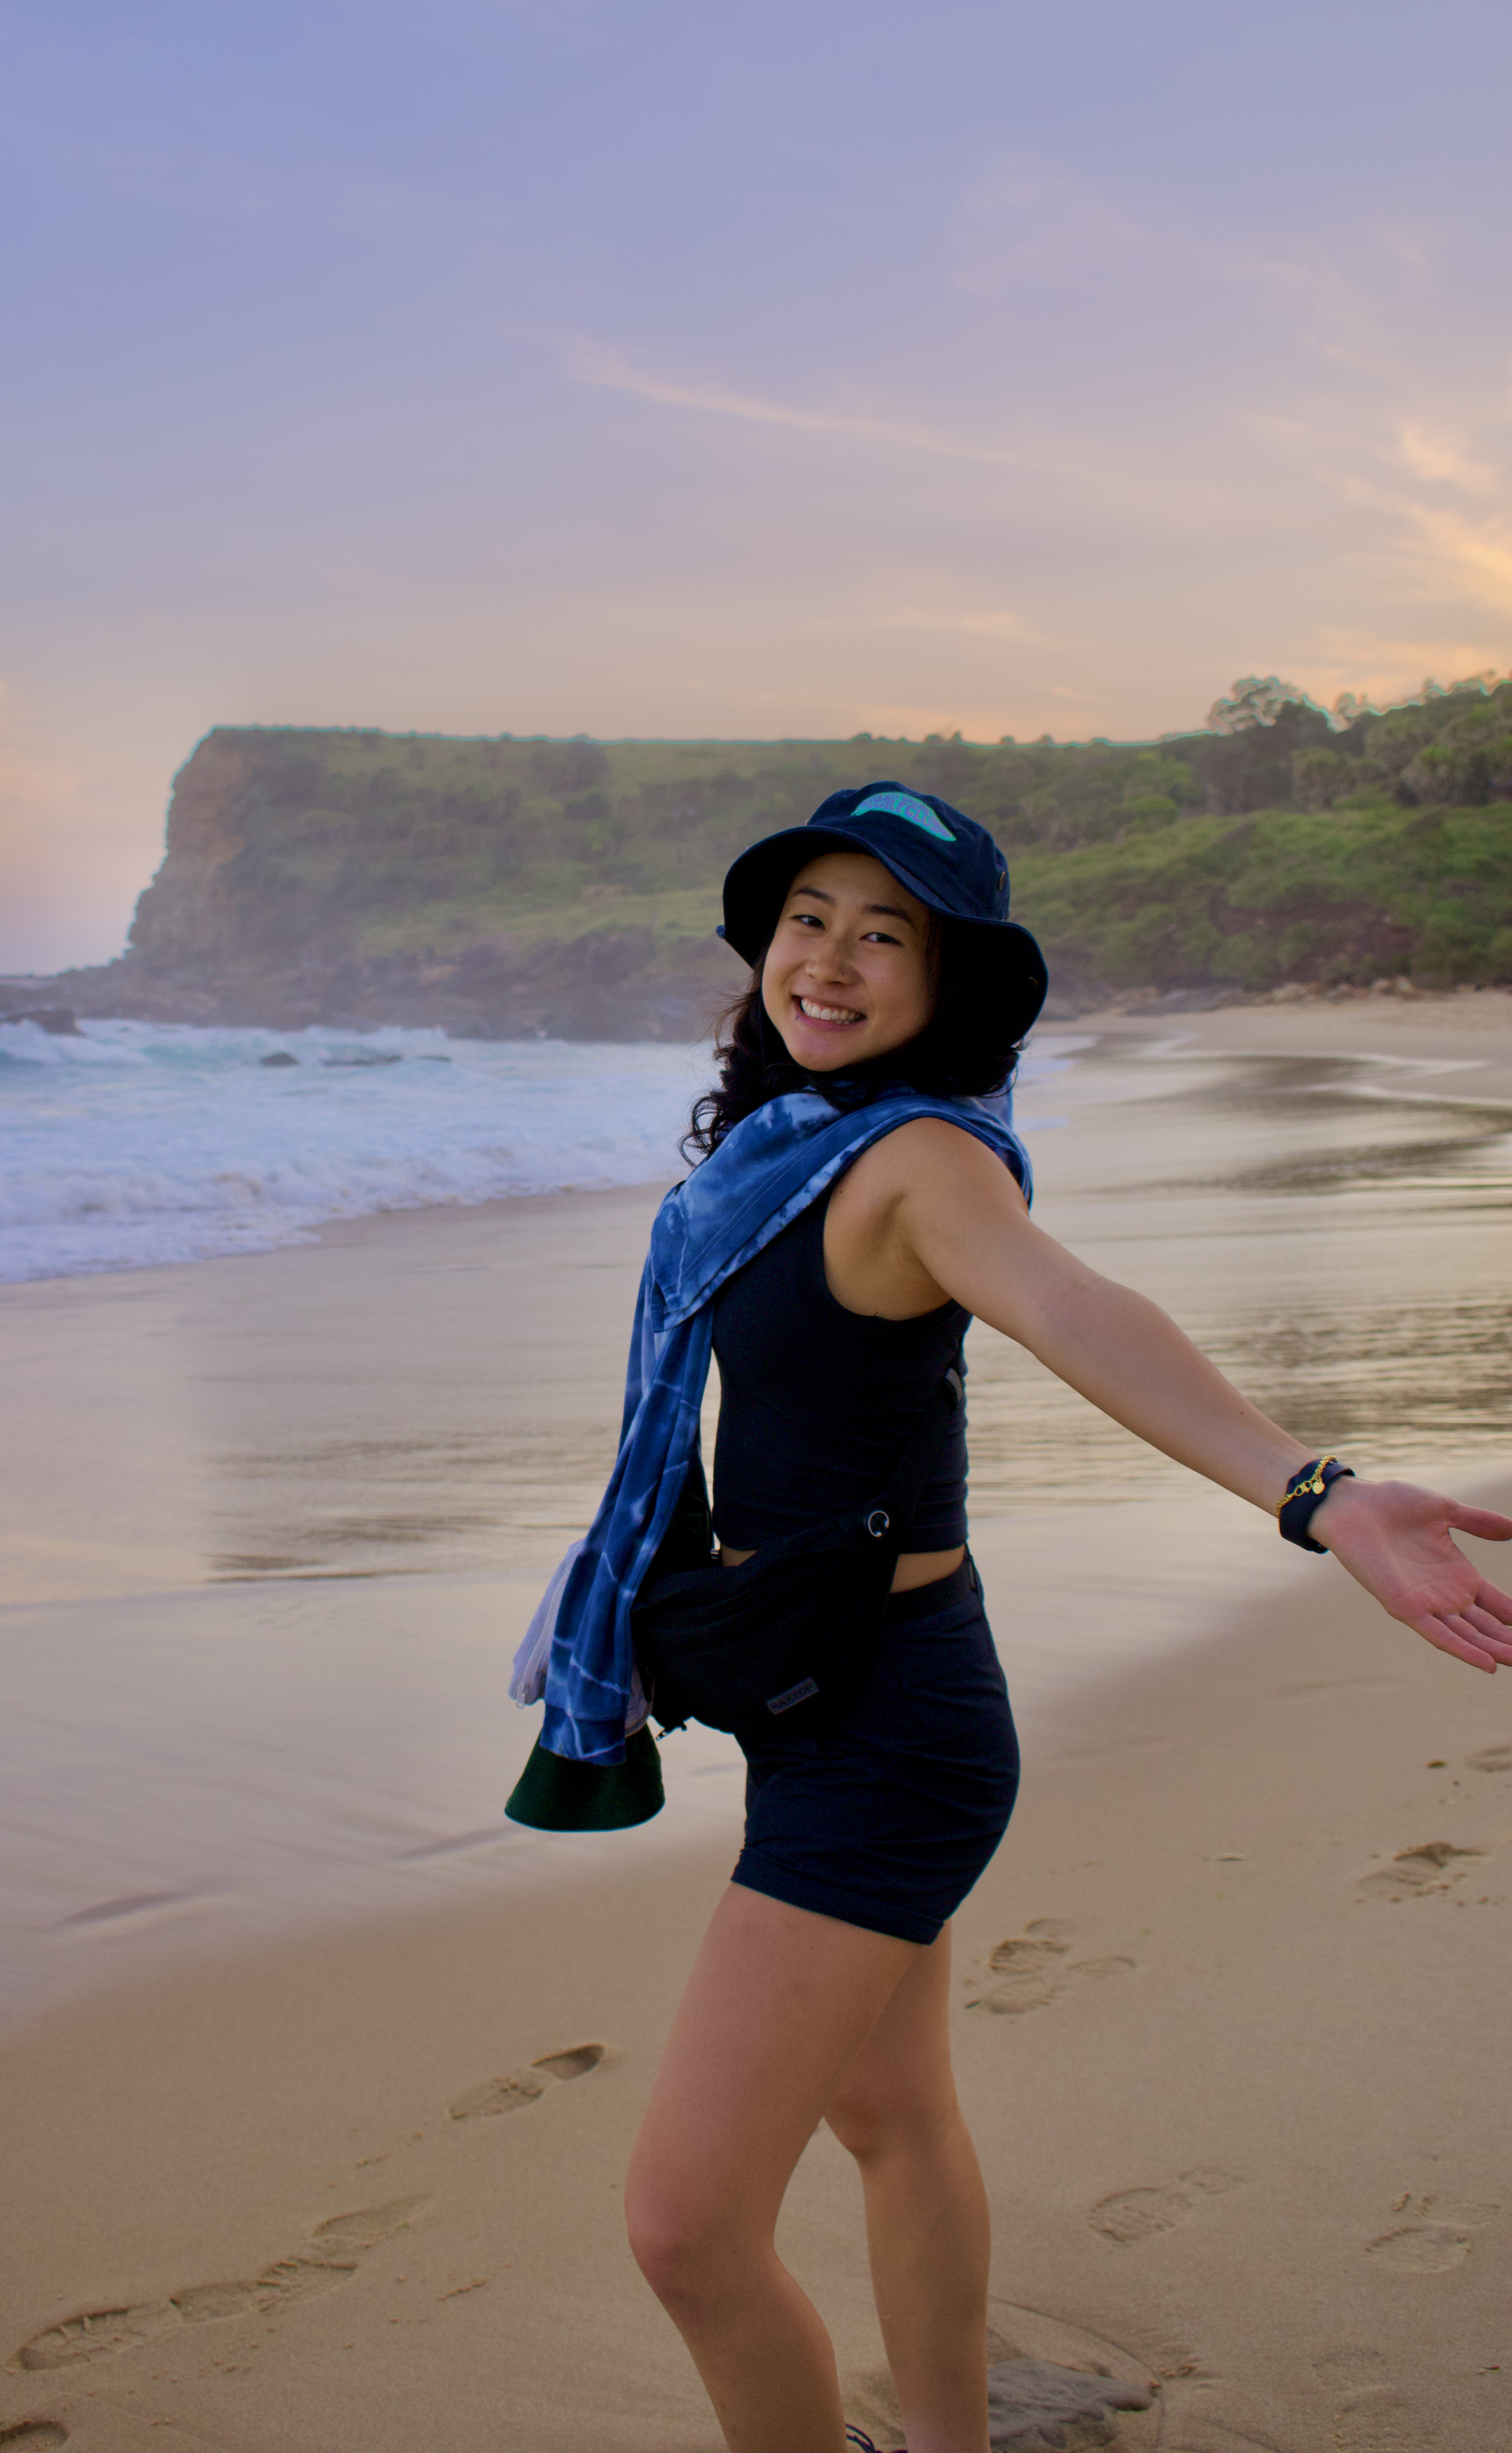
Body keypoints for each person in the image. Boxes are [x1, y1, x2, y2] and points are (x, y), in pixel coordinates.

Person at [511, 783, 1512, 2453]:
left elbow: (1072, 1307)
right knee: (892, 2118)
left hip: (888, 1741)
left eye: (883, 935)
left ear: (946, 979)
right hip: (831, 1702)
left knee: (685, 2229)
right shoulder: (788, 1150)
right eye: (809, 921)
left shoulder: (920, 1160)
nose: (830, 962)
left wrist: (1316, 1490)